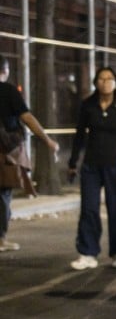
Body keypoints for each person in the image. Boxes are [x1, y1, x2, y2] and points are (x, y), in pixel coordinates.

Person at [67, 67, 116, 270]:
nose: (105, 82)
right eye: (101, 78)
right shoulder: (88, 105)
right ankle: (87, 252)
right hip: (91, 165)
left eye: (110, 78)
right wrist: (73, 162)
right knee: (89, 209)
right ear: (96, 82)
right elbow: (79, 135)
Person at [0, 56, 60, 252]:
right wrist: (47, 140)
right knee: (3, 195)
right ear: (5, 70)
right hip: (4, 152)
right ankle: (1, 239)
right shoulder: (8, 91)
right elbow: (26, 117)